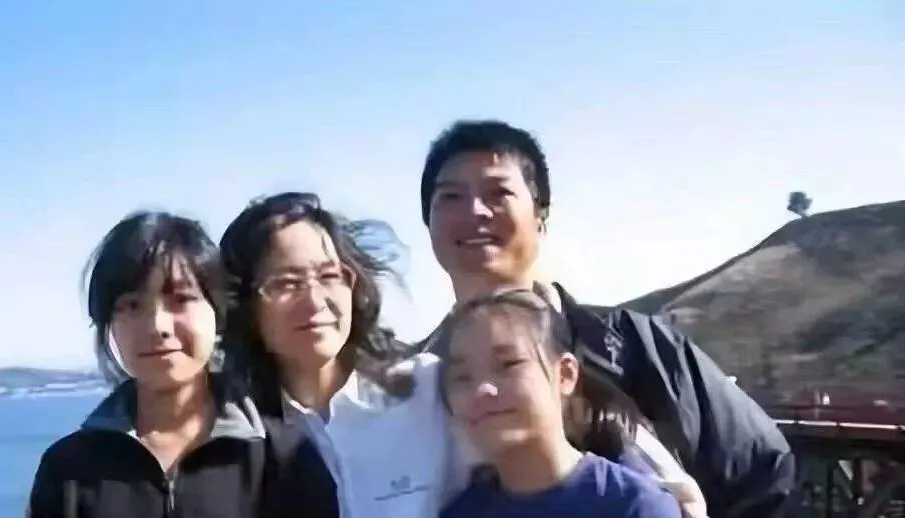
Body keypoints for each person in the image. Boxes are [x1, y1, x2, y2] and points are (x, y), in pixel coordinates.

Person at [417, 119, 795, 518]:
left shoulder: (638, 348)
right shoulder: (414, 383)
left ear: (541, 220)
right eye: (451, 197)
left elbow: (763, 474)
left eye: (499, 192)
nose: (475, 211)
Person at [26, 211, 338, 518]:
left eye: (180, 299)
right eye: (132, 305)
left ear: (217, 312)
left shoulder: (284, 458)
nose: (157, 326)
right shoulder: (68, 472)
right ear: (108, 325)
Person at [218, 192, 470, 518]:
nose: (314, 301)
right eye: (286, 283)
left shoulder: (427, 390)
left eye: (329, 276)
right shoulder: (232, 437)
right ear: (244, 304)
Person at [436, 290, 682, 518]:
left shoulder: (634, 505)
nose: (481, 389)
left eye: (508, 364)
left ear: (565, 374)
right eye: (461, 377)